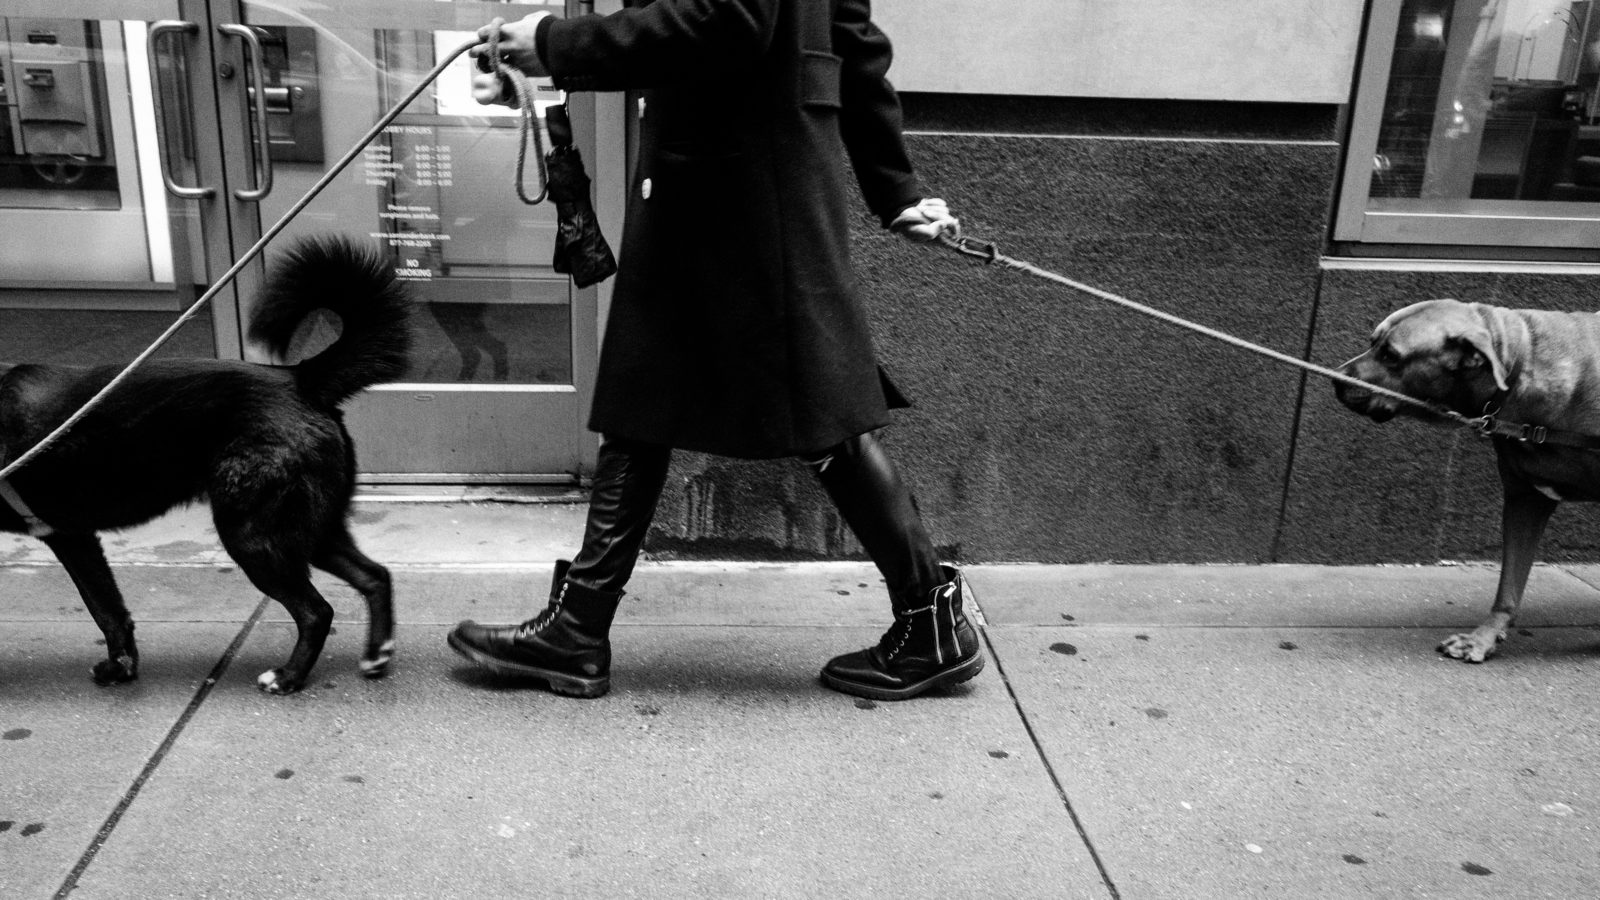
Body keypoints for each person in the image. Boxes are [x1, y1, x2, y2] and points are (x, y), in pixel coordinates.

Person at [447, 0, 979, 702]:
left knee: (816, 404)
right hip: (737, 174)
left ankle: (930, 619)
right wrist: (895, 189)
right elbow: (848, 36)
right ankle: (577, 628)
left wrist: (554, 44)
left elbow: (731, 20)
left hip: (739, 180)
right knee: (645, 391)